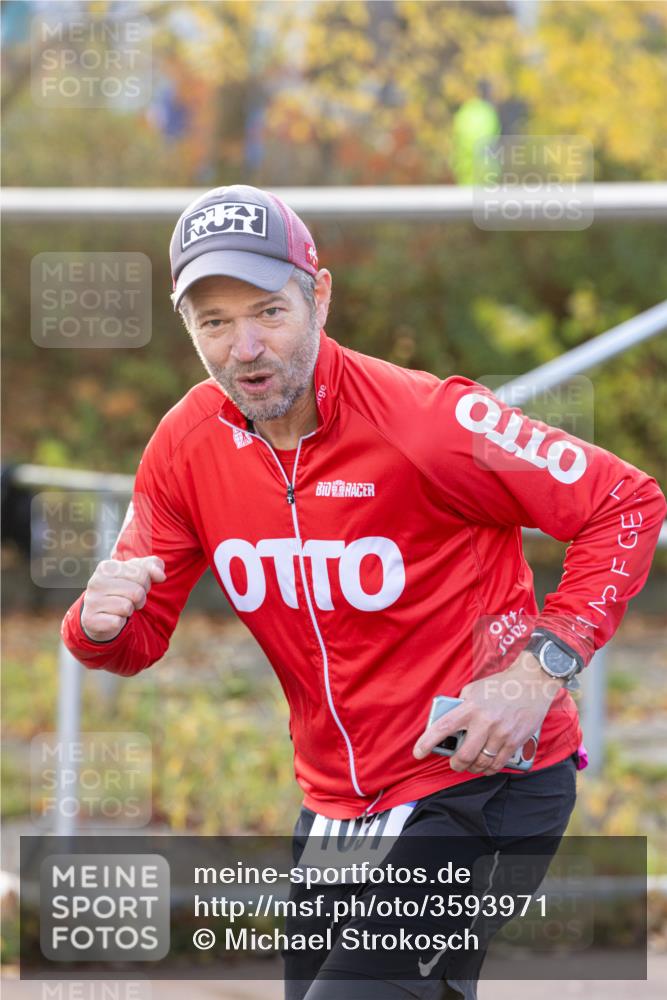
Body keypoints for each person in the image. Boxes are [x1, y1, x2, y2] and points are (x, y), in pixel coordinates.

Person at [61, 184, 666, 999]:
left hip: (481, 781)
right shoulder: (186, 446)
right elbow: (133, 642)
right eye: (215, 323)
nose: (246, 347)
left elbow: (623, 501)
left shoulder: (426, 422)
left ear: (319, 296)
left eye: (269, 311)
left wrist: (537, 672)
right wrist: (97, 624)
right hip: (338, 808)